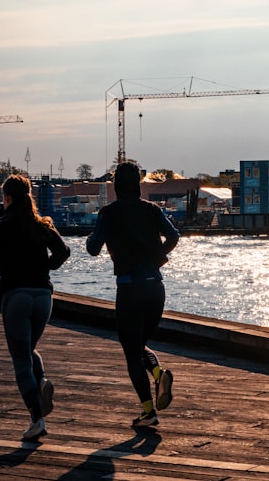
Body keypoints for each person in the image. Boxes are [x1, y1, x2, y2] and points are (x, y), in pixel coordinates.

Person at [0, 174, 70, 441]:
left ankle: (37, 419)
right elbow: (63, 252)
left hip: (17, 297)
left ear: (8, 198)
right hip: (43, 297)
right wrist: (43, 268)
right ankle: (42, 382)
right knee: (28, 350)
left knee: (21, 359)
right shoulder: (43, 225)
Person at [86, 162, 180, 428]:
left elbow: (93, 248)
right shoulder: (152, 210)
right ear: (138, 185)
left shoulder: (109, 213)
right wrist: (158, 257)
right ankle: (158, 374)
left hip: (129, 289)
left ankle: (149, 411)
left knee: (131, 351)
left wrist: (91, 239)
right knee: (138, 345)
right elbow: (174, 235)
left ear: (116, 187)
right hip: (155, 288)